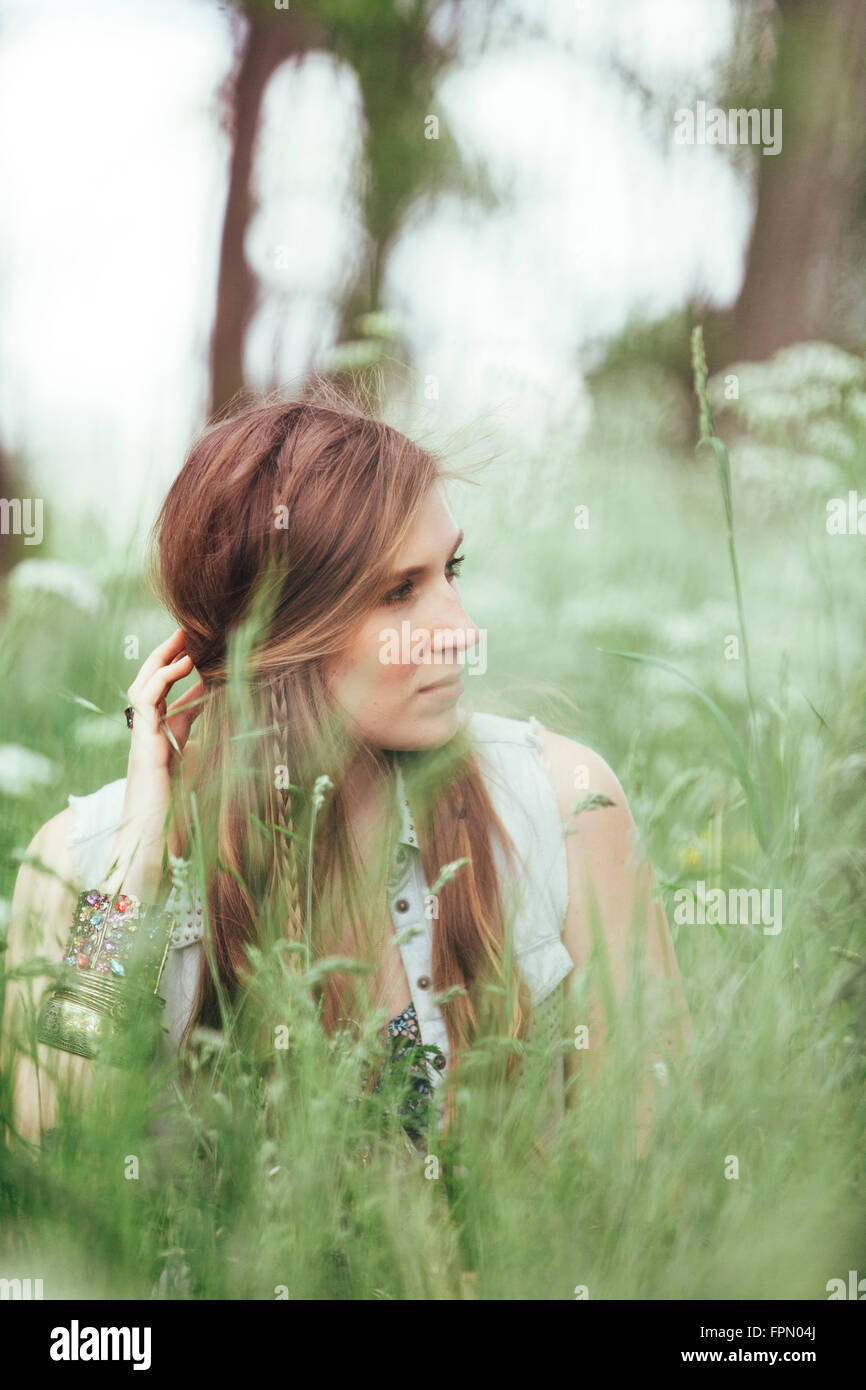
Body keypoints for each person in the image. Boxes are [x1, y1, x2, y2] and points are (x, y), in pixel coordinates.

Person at [6, 391, 690, 1156]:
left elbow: (653, 1174)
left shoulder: (561, 808)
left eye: (451, 570)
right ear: (278, 637)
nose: (463, 632)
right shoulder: (79, 864)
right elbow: (53, 1153)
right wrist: (136, 857)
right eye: (399, 592)